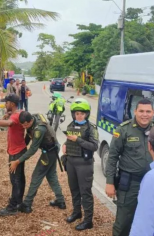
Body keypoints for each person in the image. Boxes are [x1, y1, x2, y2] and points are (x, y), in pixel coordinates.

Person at [105, 98, 154, 236]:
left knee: (148, 220)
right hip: (130, 184)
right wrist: (110, 182)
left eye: (148, 111)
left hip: (153, 184)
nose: (144, 114)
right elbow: (112, 157)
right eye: (141, 111)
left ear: (153, 113)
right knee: (124, 223)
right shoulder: (123, 130)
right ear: (135, 111)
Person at [9, 111, 65, 214]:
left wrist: (18, 161)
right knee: (51, 176)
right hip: (51, 150)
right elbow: (28, 136)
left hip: (50, 152)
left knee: (36, 176)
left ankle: (27, 204)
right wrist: (21, 148)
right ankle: (61, 201)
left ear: (30, 121)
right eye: (22, 125)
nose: (24, 127)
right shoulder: (32, 119)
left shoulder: (39, 129)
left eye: (26, 125)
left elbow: (33, 149)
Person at [62, 98, 99, 231]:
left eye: (82, 113)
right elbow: (69, 141)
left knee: (85, 192)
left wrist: (78, 140)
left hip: (84, 164)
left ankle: (88, 220)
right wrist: (65, 146)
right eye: (77, 113)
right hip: (71, 162)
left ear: (86, 114)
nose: (79, 116)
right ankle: (77, 212)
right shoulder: (71, 125)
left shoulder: (90, 128)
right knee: (74, 190)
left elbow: (94, 146)